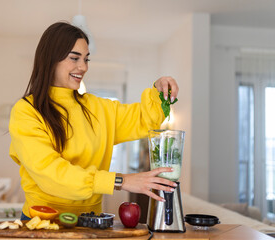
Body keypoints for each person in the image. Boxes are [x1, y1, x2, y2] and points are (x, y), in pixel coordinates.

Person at [9, 21, 179, 220]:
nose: (83, 67)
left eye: (86, 59)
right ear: (50, 60)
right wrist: (120, 181)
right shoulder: (27, 111)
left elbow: (143, 118)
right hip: (43, 221)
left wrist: (159, 92)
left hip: (91, 221)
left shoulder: (98, 108)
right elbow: (51, 174)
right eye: (74, 58)